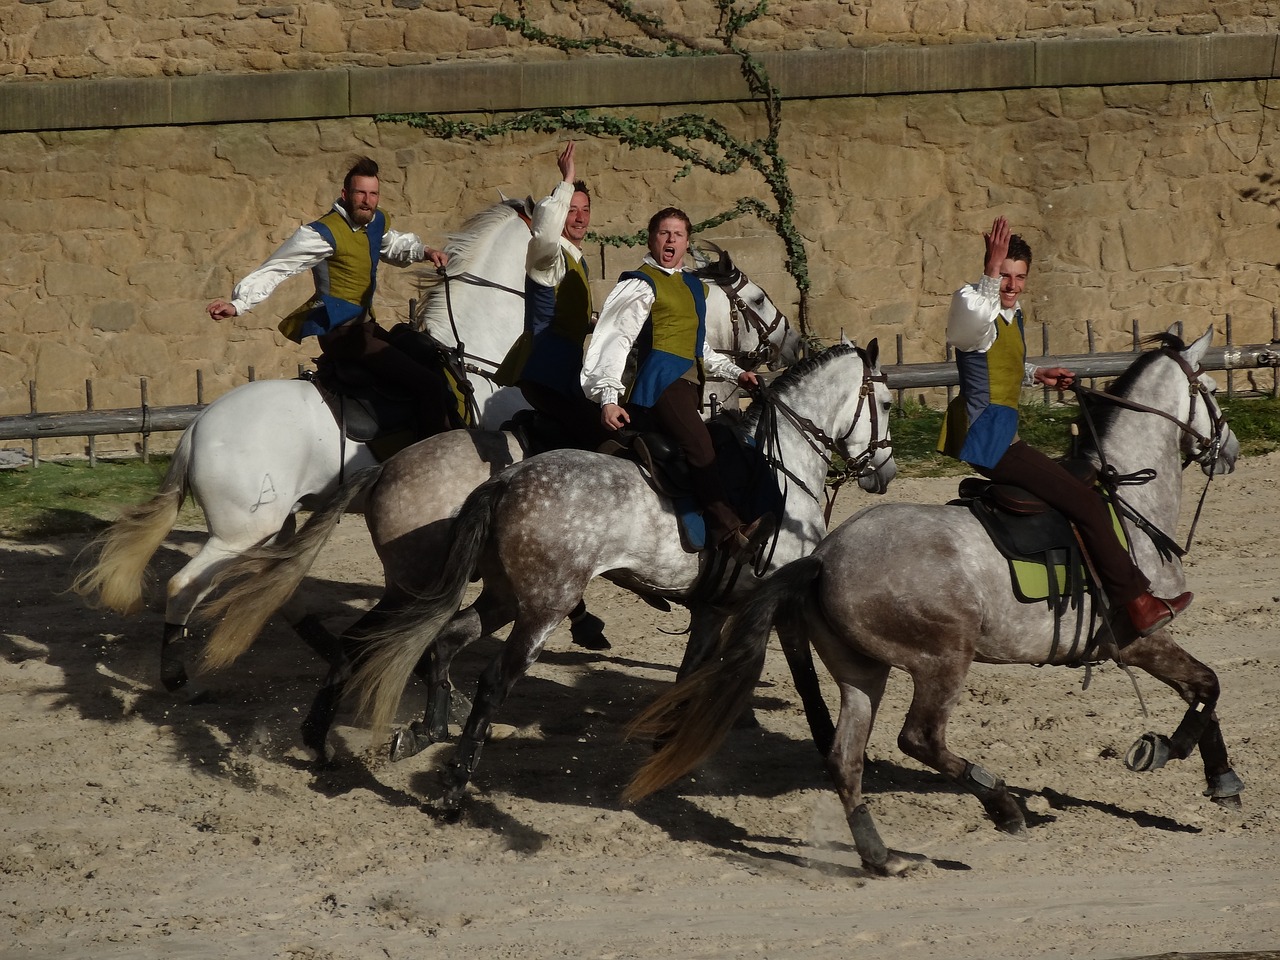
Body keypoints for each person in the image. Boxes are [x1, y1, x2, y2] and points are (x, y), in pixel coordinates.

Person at [937, 215, 1192, 638]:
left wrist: (1035, 374)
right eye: (1005, 275)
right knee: (1088, 505)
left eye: (1019, 277)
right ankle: (1139, 603)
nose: (1012, 285)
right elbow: (967, 333)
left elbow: (992, 364)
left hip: (1002, 433)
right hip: (988, 438)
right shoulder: (975, 306)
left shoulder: (1009, 314)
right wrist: (987, 271)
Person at [206, 155, 460, 436]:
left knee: (426, 354)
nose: (367, 200)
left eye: (373, 193)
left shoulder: (375, 222)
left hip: (367, 329)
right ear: (345, 194)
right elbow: (279, 267)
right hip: (341, 334)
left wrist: (426, 252)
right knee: (428, 384)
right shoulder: (321, 234)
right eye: (360, 192)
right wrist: (238, 303)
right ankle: (435, 448)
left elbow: (392, 244)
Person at [581, 206, 772, 565]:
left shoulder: (692, 286)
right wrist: (608, 397)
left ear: (686, 242)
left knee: (726, 439)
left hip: (687, 387)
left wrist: (736, 373)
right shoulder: (640, 282)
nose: (671, 240)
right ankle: (729, 532)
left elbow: (699, 347)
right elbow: (615, 340)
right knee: (701, 445)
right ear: (652, 238)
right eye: (664, 233)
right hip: (658, 387)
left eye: (678, 234)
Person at [494, 141, 610, 450]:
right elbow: (543, 233)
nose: (580, 218)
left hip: (564, 376)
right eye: (572, 211)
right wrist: (566, 182)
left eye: (585, 211)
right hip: (544, 373)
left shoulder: (577, 262)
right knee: (598, 438)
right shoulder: (549, 257)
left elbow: (568, 318)